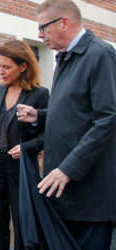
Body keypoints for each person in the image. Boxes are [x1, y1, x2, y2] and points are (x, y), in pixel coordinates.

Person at [17, 0, 116, 249]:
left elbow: (108, 119)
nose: (40, 35)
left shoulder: (100, 55)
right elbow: (74, 110)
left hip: (88, 194)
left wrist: (68, 169)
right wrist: (39, 115)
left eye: (43, 28)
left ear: (64, 22)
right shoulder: (65, 58)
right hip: (63, 191)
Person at [0, 40, 49, 250]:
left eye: (6, 67)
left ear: (23, 66)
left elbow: (49, 133)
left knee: (22, 221)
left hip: (22, 166)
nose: (1, 71)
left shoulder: (40, 94)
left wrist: (28, 147)